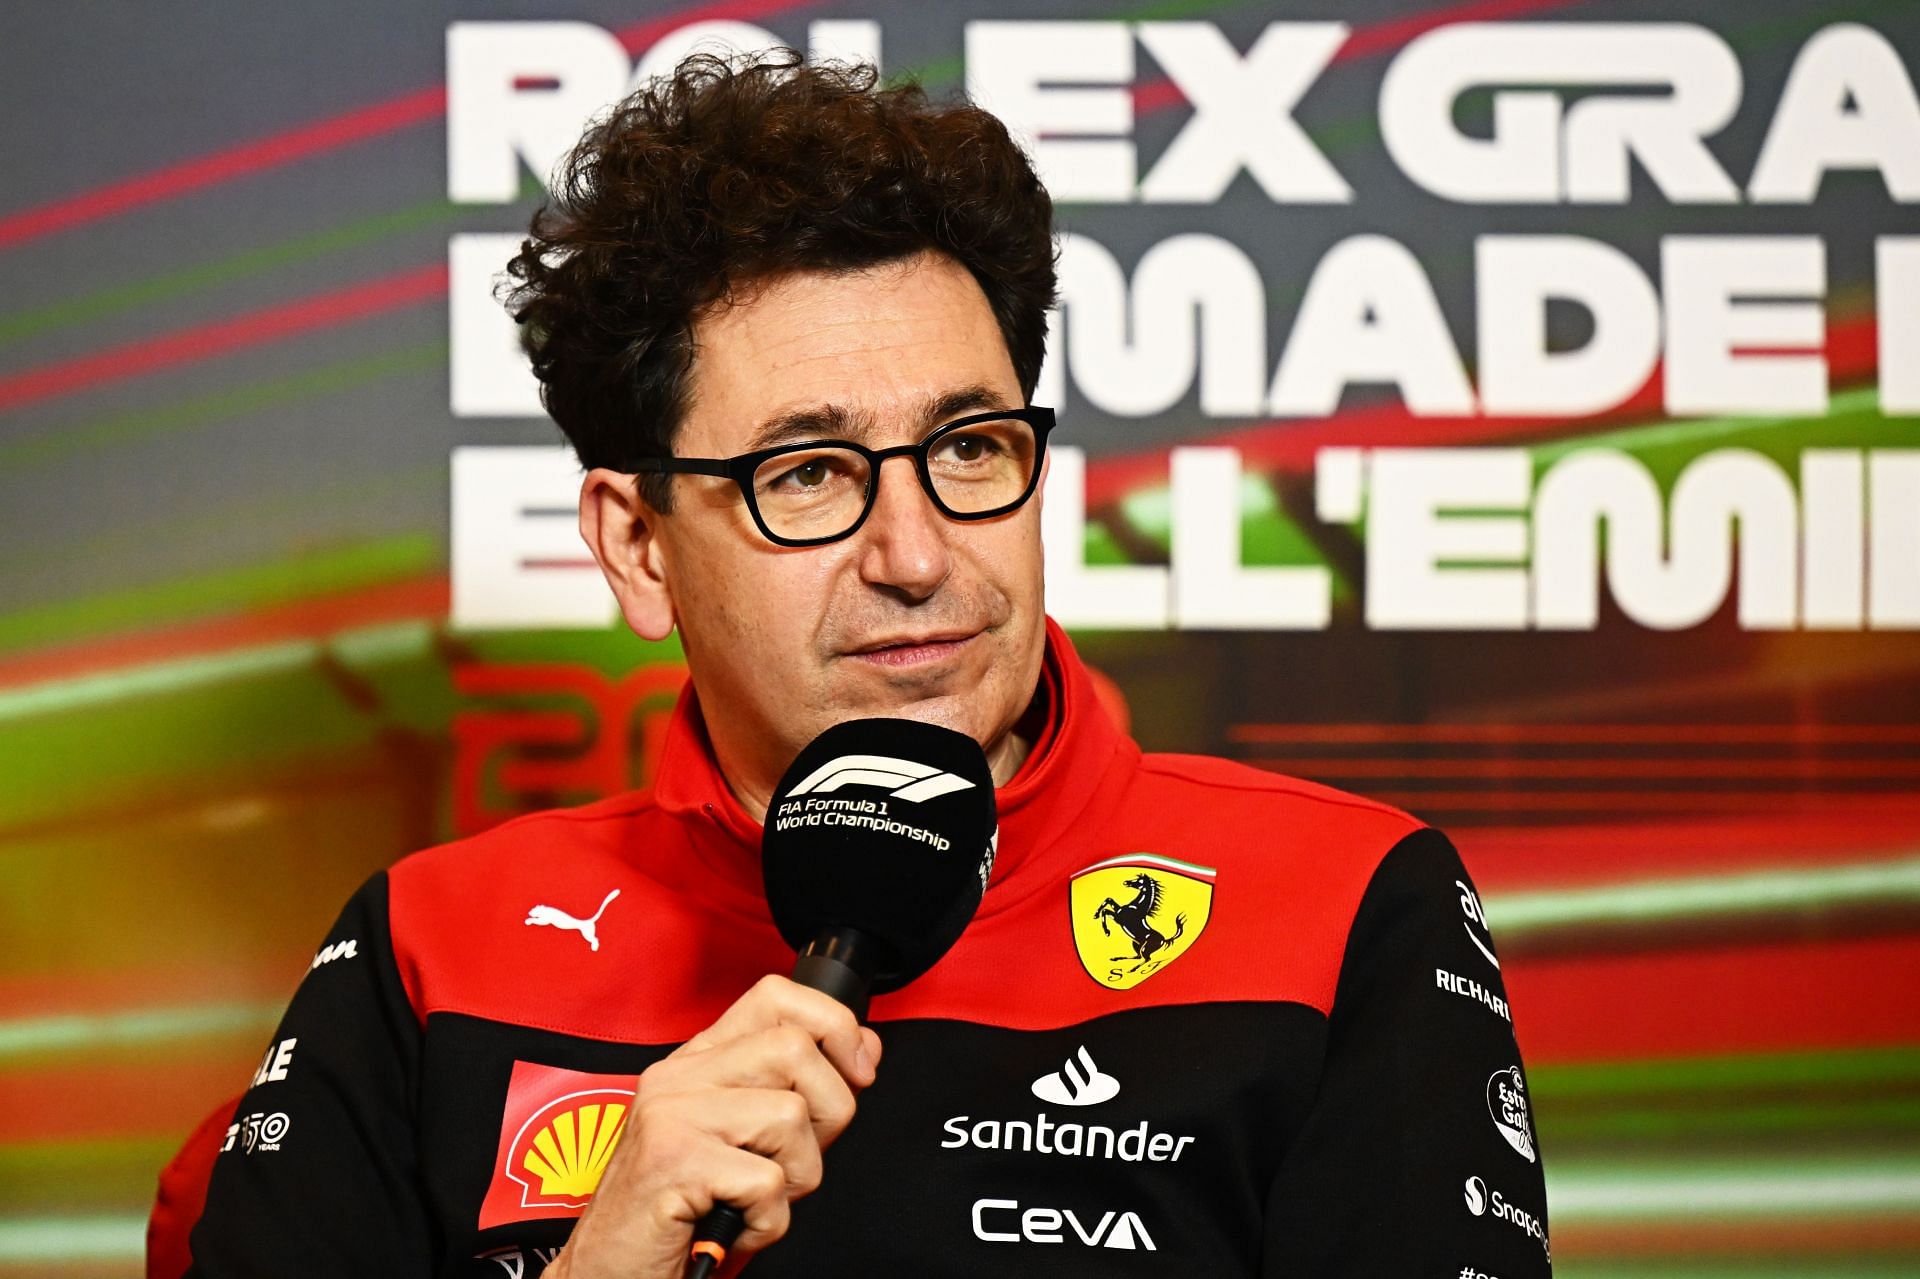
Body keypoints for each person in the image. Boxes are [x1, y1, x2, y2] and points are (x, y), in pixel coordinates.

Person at [181, 51, 1551, 1277]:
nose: (915, 552)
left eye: (969, 448)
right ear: (639, 545)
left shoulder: (1341, 908)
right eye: (811, 471)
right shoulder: (431, 948)